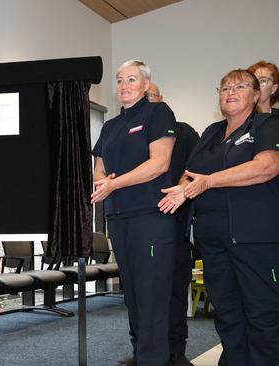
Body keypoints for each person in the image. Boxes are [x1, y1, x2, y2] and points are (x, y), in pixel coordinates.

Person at [158, 69, 279, 366]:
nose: (230, 92)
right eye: (224, 88)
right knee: (226, 312)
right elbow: (191, 173)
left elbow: (267, 166)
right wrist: (181, 191)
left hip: (255, 239)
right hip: (212, 240)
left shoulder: (268, 124)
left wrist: (209, 181)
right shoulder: (211, 131)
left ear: (256, 94)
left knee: (262, 313)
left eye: (240, 86)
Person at [91, 60, 176, 366]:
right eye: (119, 80)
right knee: (133, 296)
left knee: (151, 294)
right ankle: (142, 354)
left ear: (145, 84)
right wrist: (105, 183)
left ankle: (154, 359)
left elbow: (160, 163)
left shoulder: (158, 113)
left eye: (131, 79)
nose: (124, 86)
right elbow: (98, 169)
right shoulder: (111, 126)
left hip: (149, 216)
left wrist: (115, 183)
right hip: (117, 217)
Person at [147, 83, 198, 366]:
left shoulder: (184, 132)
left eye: (152, 97)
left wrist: (180, 189)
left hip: (175, 226)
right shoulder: (131, 133)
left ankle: (176, 352)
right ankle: (146, 350)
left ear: (162, 100)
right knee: (144, 297)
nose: (149, 102)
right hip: (141, 229)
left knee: (175, 293)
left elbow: (197, 169)